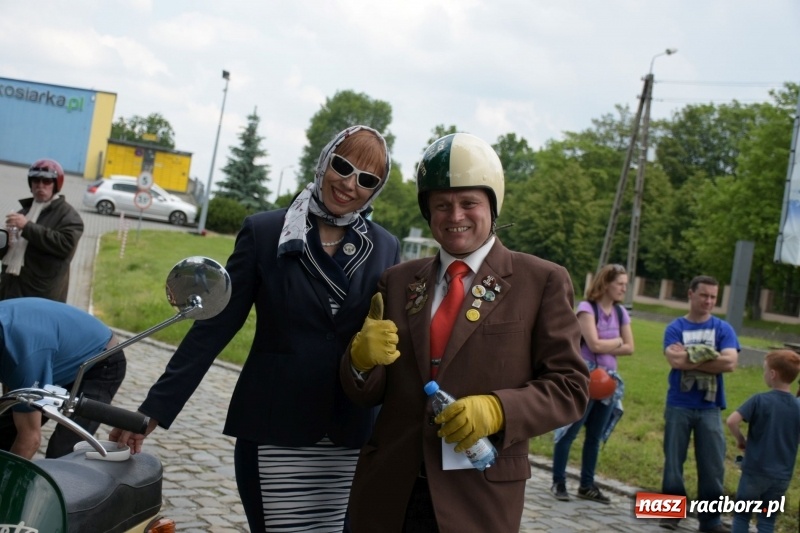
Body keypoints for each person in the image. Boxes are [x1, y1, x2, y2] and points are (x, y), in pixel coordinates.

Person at [110, 125, 400, 533]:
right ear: (325, 162)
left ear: (376, 189)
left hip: (349, 434)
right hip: (275, 425)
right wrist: (151, 411)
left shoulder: (385, 247)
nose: (350, 184)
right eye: (342, 166)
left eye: (367, 179)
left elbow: (392, 341)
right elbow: (214, 327)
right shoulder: (266, 232)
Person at [339, 132, 590, 532]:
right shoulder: (398, 281)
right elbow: (367, 393)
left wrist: (498, 409)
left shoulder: (541, 281)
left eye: (469, 203)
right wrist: (358, 361)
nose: (455, 216)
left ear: (493, 205)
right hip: (389, 493)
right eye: (442, 205)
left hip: (477, 498)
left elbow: (570, 387)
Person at [660, 275, 739, 533]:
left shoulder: (723, 329)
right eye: (704, 295)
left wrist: (689, 357)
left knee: (713, 466)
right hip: (678, 404)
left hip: (710, 407)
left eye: (713, 297)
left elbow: (730, 362)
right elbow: (675, 362)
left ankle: (710, 521)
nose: (708, 301)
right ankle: (671, 513)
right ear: (690, 294)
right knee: (673, 462)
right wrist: (711, 357)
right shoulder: (675, 327)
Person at [0, 297, 125, 459]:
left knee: (62, 454)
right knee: (4, 434)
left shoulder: (24, 361)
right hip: (55, 354)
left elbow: (30, 440)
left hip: (100, 362)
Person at [550, 263, 634, 504]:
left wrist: (611, 344)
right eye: (620, 284)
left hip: (609, 382)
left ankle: (587, 485)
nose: (624, 289)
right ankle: (559, 481)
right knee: (569, 431)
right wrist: (617, 341)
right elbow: (594, 344)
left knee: (594, 437)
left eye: (625, 285)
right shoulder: (587, 309)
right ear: (606, 284)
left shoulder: (620, 312)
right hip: (585, 378)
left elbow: (631, 347)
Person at [726, 349, 800, 533]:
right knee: (767, 519)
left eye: (765, 370)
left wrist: (741, 440)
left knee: (742, 515)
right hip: (782, 475)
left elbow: (732, 421)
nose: (764, 374)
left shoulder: (759, 400)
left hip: (754, 470)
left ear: (773, 374)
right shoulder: (798, 406)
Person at [0, 159, 84, 303]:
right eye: (36, 181)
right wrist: (6, 239)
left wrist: (27, 226)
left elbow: (65, 245)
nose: (40, 185)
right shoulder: (24, 211)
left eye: (46, 181)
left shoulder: (69, 216)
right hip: (10, 288)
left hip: (40, 295)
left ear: (56, 185)